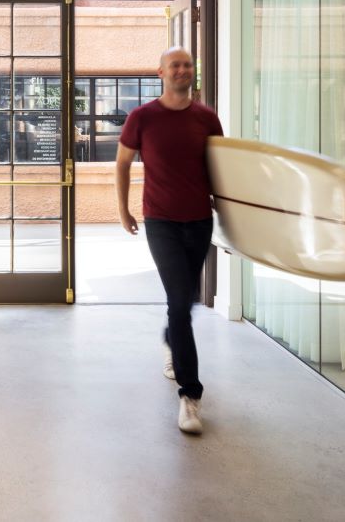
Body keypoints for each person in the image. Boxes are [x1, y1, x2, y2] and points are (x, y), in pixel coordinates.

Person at [114, 46, 223, 435]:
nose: (182, 70)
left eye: (187, 64)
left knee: (185, 302)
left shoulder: (207, 118)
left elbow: (221, 167)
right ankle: (189, 397)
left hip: (199, 221)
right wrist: (124, 209)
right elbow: (123, 163)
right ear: (160, 72)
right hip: (160, 221)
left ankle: (169, 340)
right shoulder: (142, 117)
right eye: (174, 65)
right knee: (179, 302)